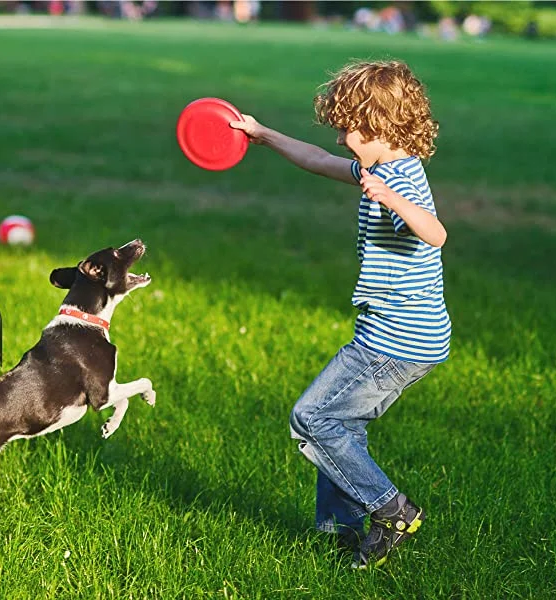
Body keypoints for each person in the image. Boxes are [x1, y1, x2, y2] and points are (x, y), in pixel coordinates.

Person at [230, 60, 451, 569]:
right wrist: (263, 134)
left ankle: (390, 509)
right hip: (396, 335)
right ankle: (341, 531)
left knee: (312, 418)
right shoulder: (378, 166)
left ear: (386, 129)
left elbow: (436, 234)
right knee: (343, 426)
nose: (344, 139)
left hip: (396, 343)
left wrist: (393, 198)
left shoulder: (401, 182)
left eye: (354, 129)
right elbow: (314, 159)